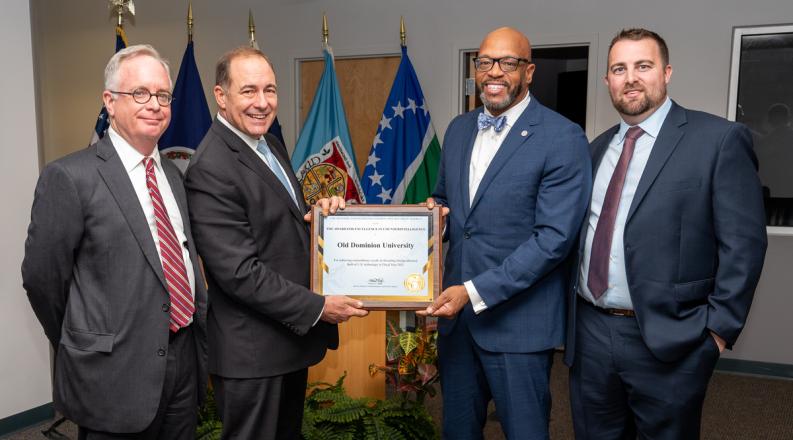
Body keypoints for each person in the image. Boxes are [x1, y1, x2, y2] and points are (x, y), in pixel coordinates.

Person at [565, 28, 768, 440]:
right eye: (619, 69)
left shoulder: (717, 141)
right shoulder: (594, 150)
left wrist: (717, 333)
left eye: (643, 65)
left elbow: (743, 245)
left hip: (672, 340)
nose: (631, 78)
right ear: (607, 81)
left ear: (667, 72)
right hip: (590, 335)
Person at [22, 44, 208, 440]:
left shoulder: (173, 176)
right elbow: (42, 280)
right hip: (112, 375)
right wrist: (82, 339)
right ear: (109, 101)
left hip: (182, 365)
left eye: (162, 95)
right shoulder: (70, 177)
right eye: (139, 93)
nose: (154, 104)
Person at [184, 46, 368, 440]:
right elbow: (238, 273)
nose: (262, 103)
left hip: (284, 341)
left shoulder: (270, 145)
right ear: (221, 96)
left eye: (270, 90)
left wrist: (321, 214)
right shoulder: (212, 166)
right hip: (252, 352)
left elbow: (280, 222)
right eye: (248, 91)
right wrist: (317, 307)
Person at [420, 27, 591, 439]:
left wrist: (472, 291)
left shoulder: (562, 137)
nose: (494, 72)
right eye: (484, 62)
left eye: (507, 62)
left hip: (519, 323)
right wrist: (435, 214)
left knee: (525, 432)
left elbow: (553, 240)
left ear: (528, 72)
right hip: (458, 325)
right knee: (458, 430)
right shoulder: (459, 129)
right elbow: (447, 201)